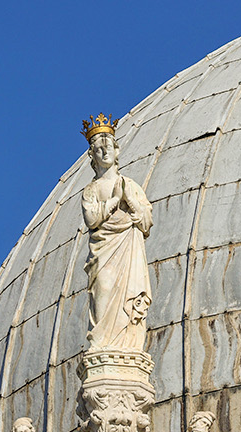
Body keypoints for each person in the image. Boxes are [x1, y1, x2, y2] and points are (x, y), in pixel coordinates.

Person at [81, 116, 153, 352]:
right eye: (98, 150)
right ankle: (103, 342)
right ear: (92, 156)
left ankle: (124, 343)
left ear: (116, 150)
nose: (104, 154)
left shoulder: (129, 184)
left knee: (126, 297)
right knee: (103, 286)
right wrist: (114, 201)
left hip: (127, 247)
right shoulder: (90, 190)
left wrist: (129, 199)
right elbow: (91, 220)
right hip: (104, 250)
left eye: (108, 148)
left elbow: (145, 222)